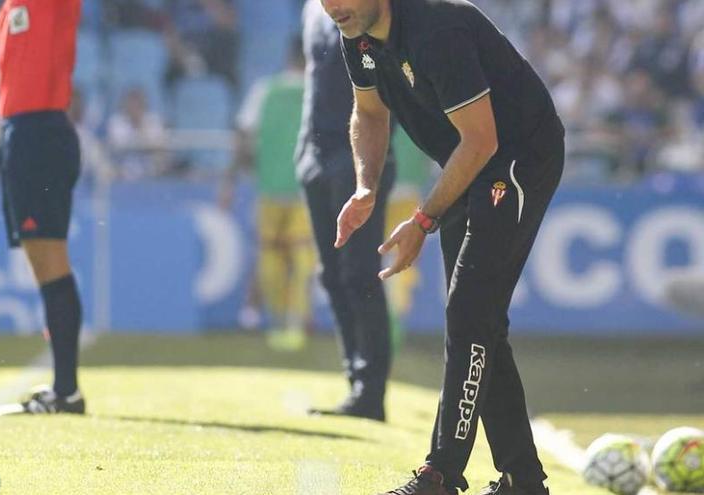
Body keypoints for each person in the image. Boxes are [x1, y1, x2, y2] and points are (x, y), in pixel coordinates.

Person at [320, 0, 565, 493]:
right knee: (479, 319)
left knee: (471, 311)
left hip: (516, 159)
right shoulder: (360, 37)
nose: (332, 7)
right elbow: (368, 113)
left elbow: (482, 141)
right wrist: (366, 186)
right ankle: (523, 480)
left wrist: (424, 219)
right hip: (472, 163)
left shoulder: (438, 31)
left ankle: (442, 473)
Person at [297, 0, 395, 421]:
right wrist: (304, 152)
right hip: (315, 154)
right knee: (332, 274)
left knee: (358, 273)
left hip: (358, 157)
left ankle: (370, 391)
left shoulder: (373, 8)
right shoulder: (312, 9)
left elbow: (390, 78)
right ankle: (357, 379)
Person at [0, 0, 86, 415]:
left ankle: (66, 391)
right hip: (21, 132)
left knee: (50, 260)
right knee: (42, 260)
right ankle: (64, 388)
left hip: (40, 132)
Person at [222, 40, 316, 351]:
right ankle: (296, 322)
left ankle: (275, 320)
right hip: (306, 188)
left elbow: (243, 138)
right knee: (302, 257)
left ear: (287, 57)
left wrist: (231, 179)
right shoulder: (317, 91)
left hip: (269, 187)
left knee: (270, 256)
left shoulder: (264, 90)